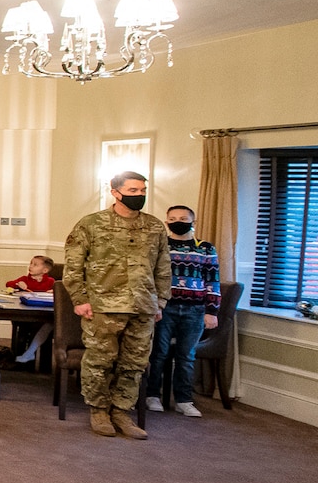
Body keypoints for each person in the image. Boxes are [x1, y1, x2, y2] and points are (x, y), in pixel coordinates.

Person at [64, 170, 171, 440]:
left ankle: (122, 411)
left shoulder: (155, 226)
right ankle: (99, 410)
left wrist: (161, 301)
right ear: (115, 192)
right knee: (100, 361)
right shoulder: (91, 224)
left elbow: (163, 267)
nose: (139, 195)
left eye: (143, 191)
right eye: (133, 191)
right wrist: (80, 299)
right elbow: (73, 266)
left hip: (143, 306)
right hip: (103, 305)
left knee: (134, 364)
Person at [147, 204, 217, 418]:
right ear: (167, 222)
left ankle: (183, 400)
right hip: (164, 308)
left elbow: (212, 280)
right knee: (158, 354)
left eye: (184, 218)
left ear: (192, 222)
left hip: (194, 309)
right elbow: (149, 276)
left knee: (186, 356)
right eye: (173, 218)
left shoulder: (205, 248)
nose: (178, 221)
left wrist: (211, 311)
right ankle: (152, 395)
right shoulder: (160, 245)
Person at [6, 255, 57, 365]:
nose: (31, 266)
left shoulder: (50, 282)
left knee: (45, 325)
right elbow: (8, 284)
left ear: (45, 270)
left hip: (43, 313)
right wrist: (17, 284)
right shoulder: (25, 279)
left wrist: (53, 292)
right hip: (27, 312)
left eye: (35, 265)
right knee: (24, 327)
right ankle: (24, 356)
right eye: (31, 263)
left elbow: (59, 291)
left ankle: (39, 360)